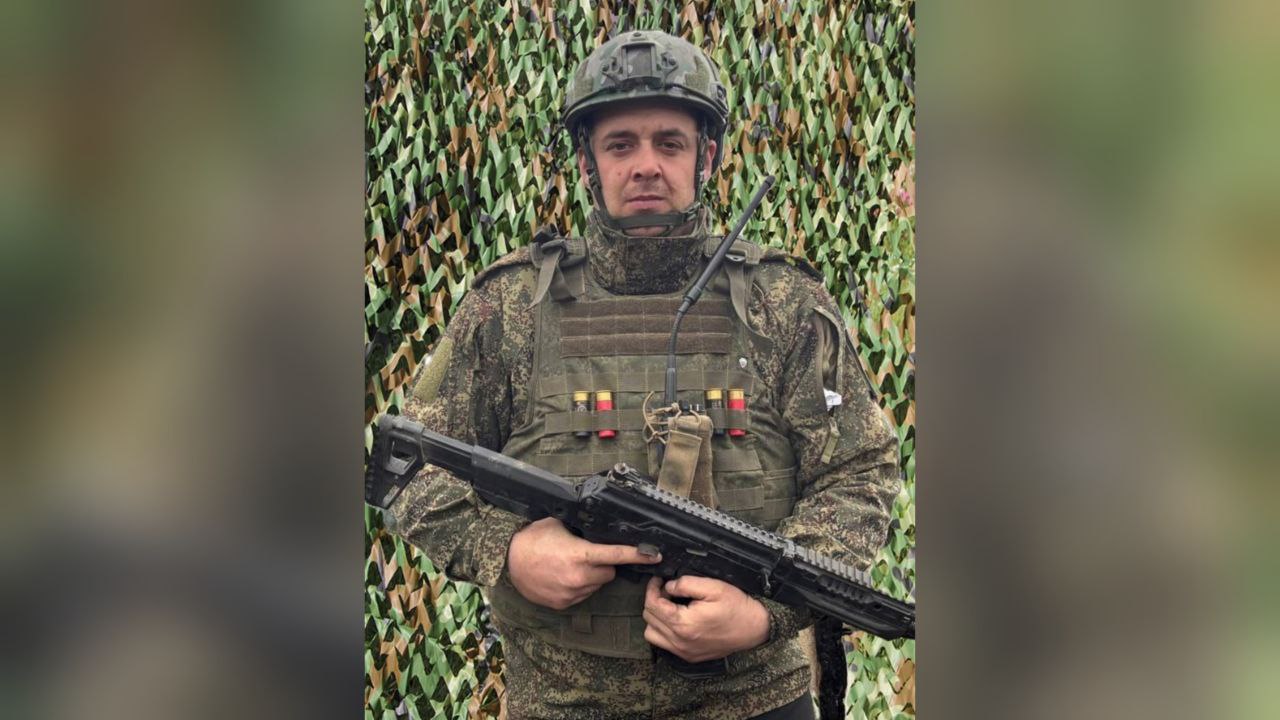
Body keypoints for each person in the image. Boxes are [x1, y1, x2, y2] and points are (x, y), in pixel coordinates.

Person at [385, 30, 900, 720]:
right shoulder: (508, 307)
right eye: (621, 144)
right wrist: (505, 551)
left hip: (753, 701)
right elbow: (407, 466)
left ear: (706, 155)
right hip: (561, 704)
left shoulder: (782, 302)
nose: (646, 166)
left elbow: (861, 471)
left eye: (670, 143)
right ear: (588, 161)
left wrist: (763, 613)